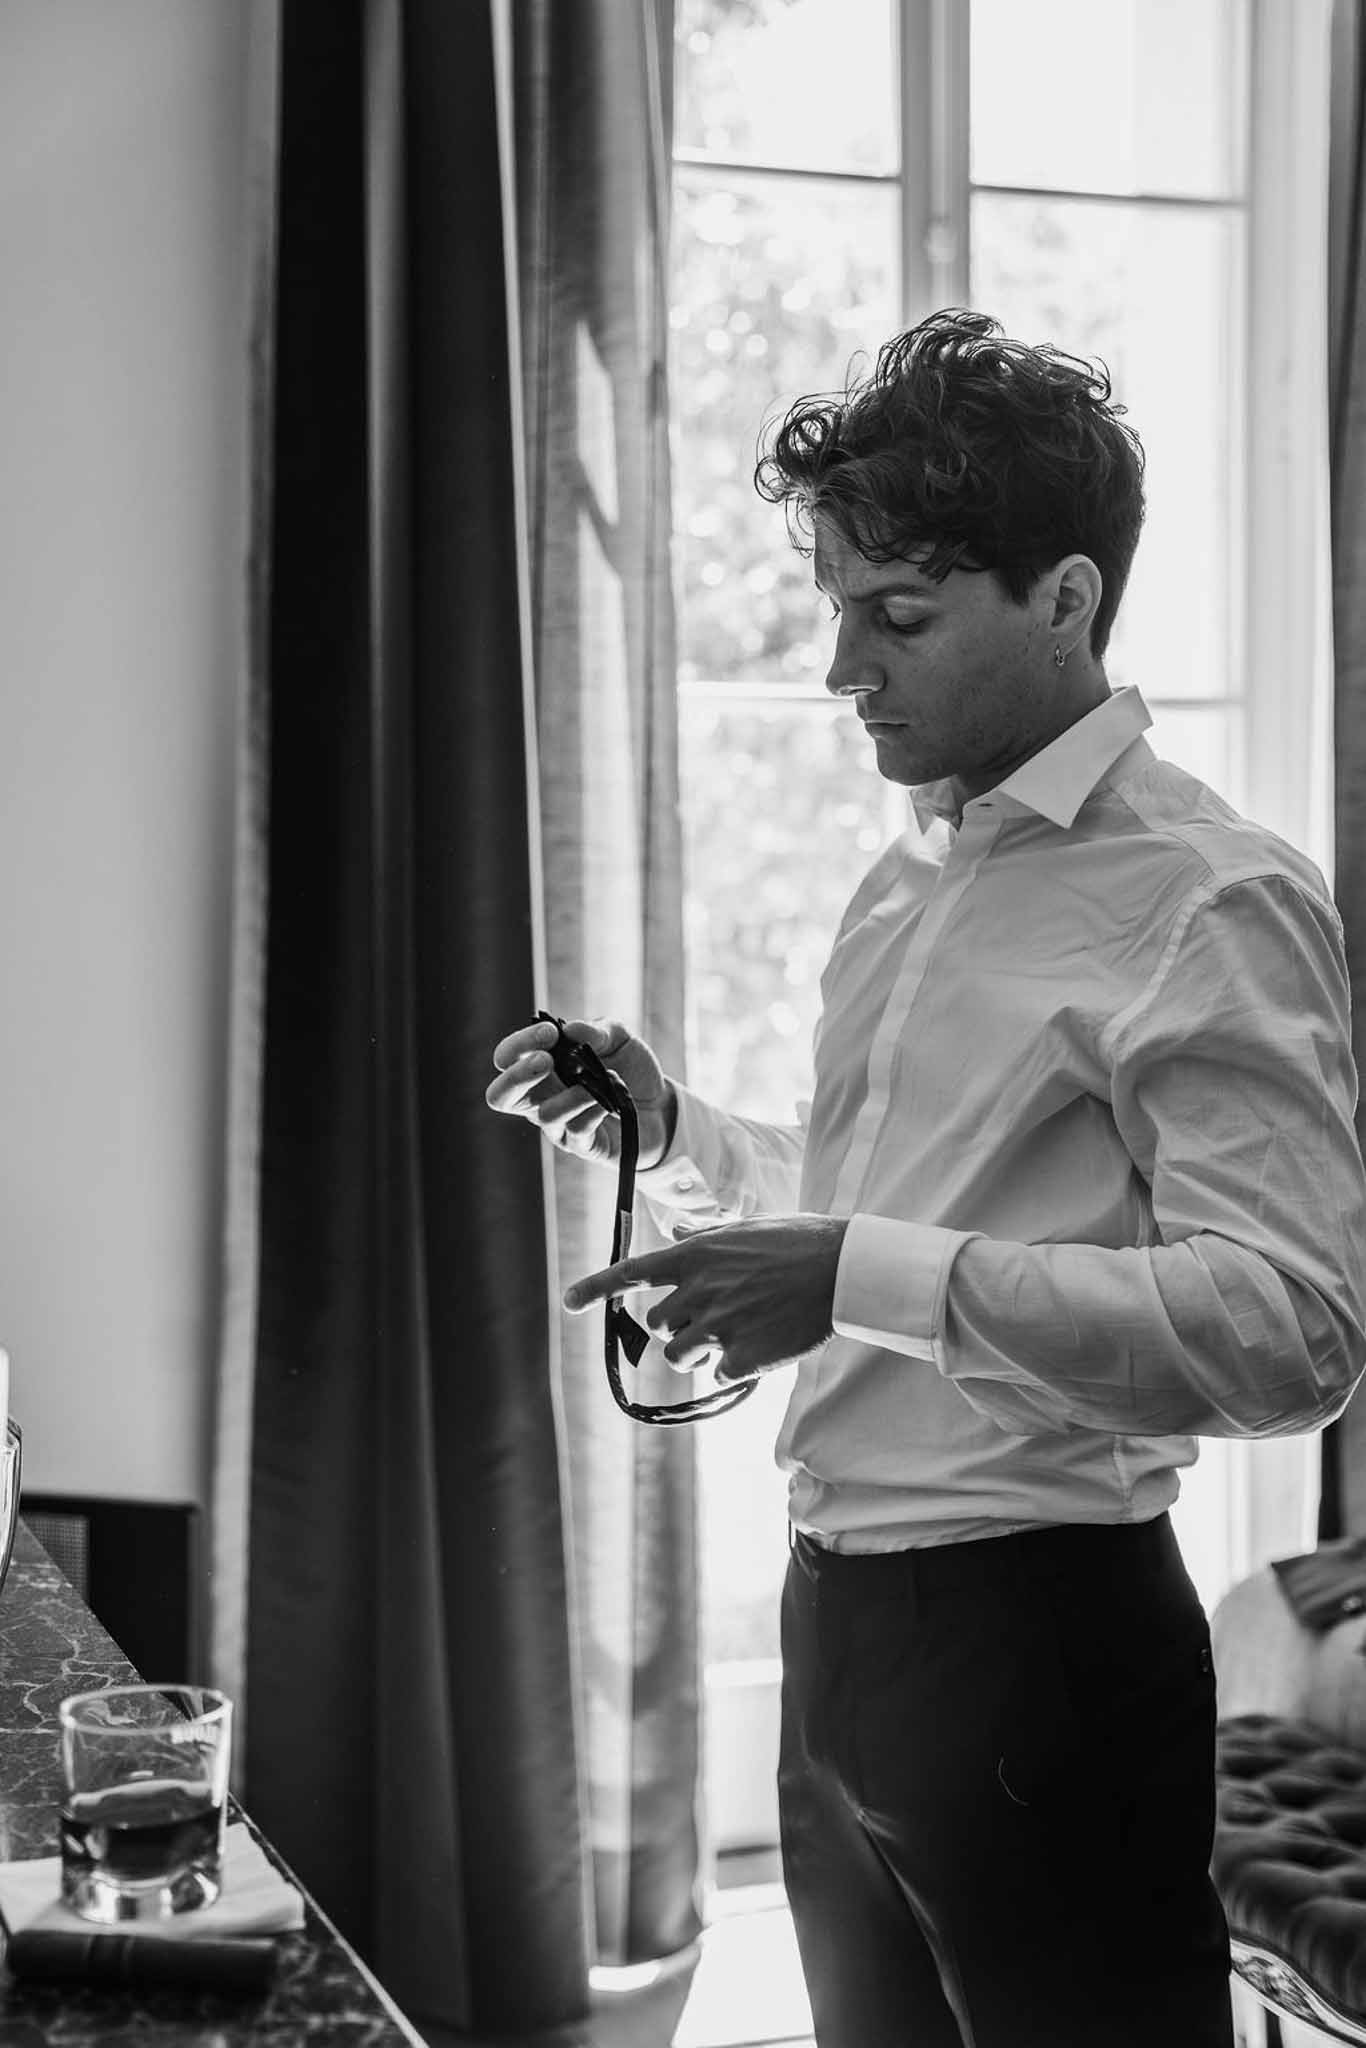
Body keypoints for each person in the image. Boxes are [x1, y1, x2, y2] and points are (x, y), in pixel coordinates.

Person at [485, 308, 1366, 2047]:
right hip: (842, 1634)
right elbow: (884, 1196)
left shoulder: (1209, 898)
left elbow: (1293, 1331)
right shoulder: (909, 879)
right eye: (834, 609)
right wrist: (675, 1144)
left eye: (895, 617)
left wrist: (851, 1277)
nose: (841, 672)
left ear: (1064, 601)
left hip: (1043, 1647)